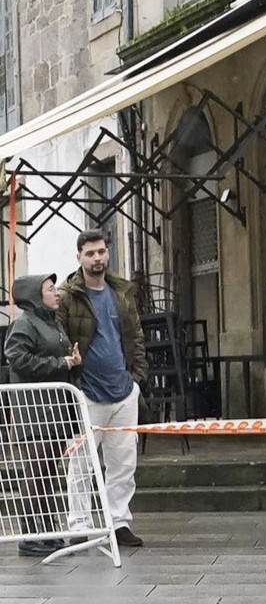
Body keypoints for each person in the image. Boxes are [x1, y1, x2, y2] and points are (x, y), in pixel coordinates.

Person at [59, 230, 147, 548]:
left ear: (108, 253)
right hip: (87, 391)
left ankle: (118, 521)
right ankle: (79, 524)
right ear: (79, 257)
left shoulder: (120, 292)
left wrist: (137, 377)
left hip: (124, 390)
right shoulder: (68, 296)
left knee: (123, 462)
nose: (97, 258)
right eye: (90, 253)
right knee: (82, 462)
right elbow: (60, 337)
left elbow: (135, 335)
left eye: (101, 252)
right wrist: (73, 377)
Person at [4, 274, 81, 556]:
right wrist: (59, 362)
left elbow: (58, 357)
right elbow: (18, 357)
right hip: (34, 411)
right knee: (35, 473)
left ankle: (47, 530)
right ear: (36, 296)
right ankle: (29, 534)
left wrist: (71, 361)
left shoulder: (53, 322)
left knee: (48, 473)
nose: (56, 293)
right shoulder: (24, 323)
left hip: (55, 410)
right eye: (50, 290)